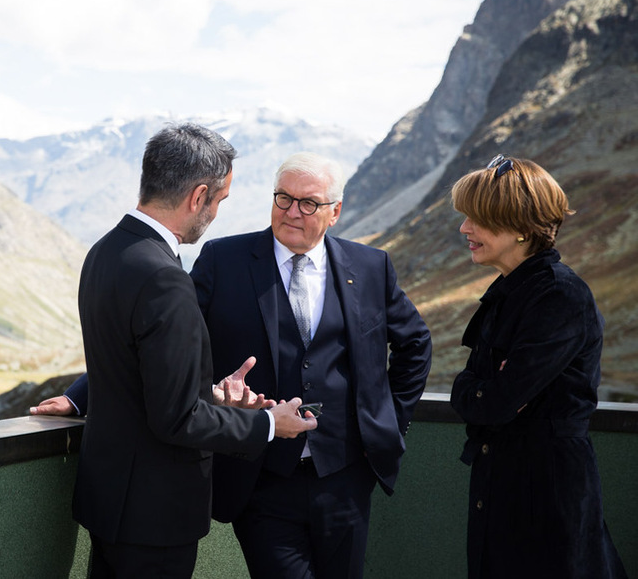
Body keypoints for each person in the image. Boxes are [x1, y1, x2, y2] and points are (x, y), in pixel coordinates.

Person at [36, 151, 432, 579]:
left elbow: (416, 345)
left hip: (346, 480)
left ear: (335, 212)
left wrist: (384, 423)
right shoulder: (223, 260)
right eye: (283, 198)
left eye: (309, 203)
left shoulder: (371, 267)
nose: (292, 212)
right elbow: (155, 342)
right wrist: (79, 399)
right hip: (260, 478)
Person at [67, 123, 317, 579]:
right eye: (220, 201)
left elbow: (139, 382)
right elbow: (177, 419)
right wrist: (265, 423)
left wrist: (210, 394)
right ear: (198, 196)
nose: (217, 213)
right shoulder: (165, 279)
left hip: (110, 502)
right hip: (155, 515)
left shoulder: (106, 251)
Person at [450, 154, 626, 579]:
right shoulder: (510, 290)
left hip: (545, 493)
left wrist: (486, 391)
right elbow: (473, 392)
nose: (464, 229)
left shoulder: (560, 296)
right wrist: (483, 390)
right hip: (503, 483)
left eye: (478, 218)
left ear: (523, 227)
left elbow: (493, 401)